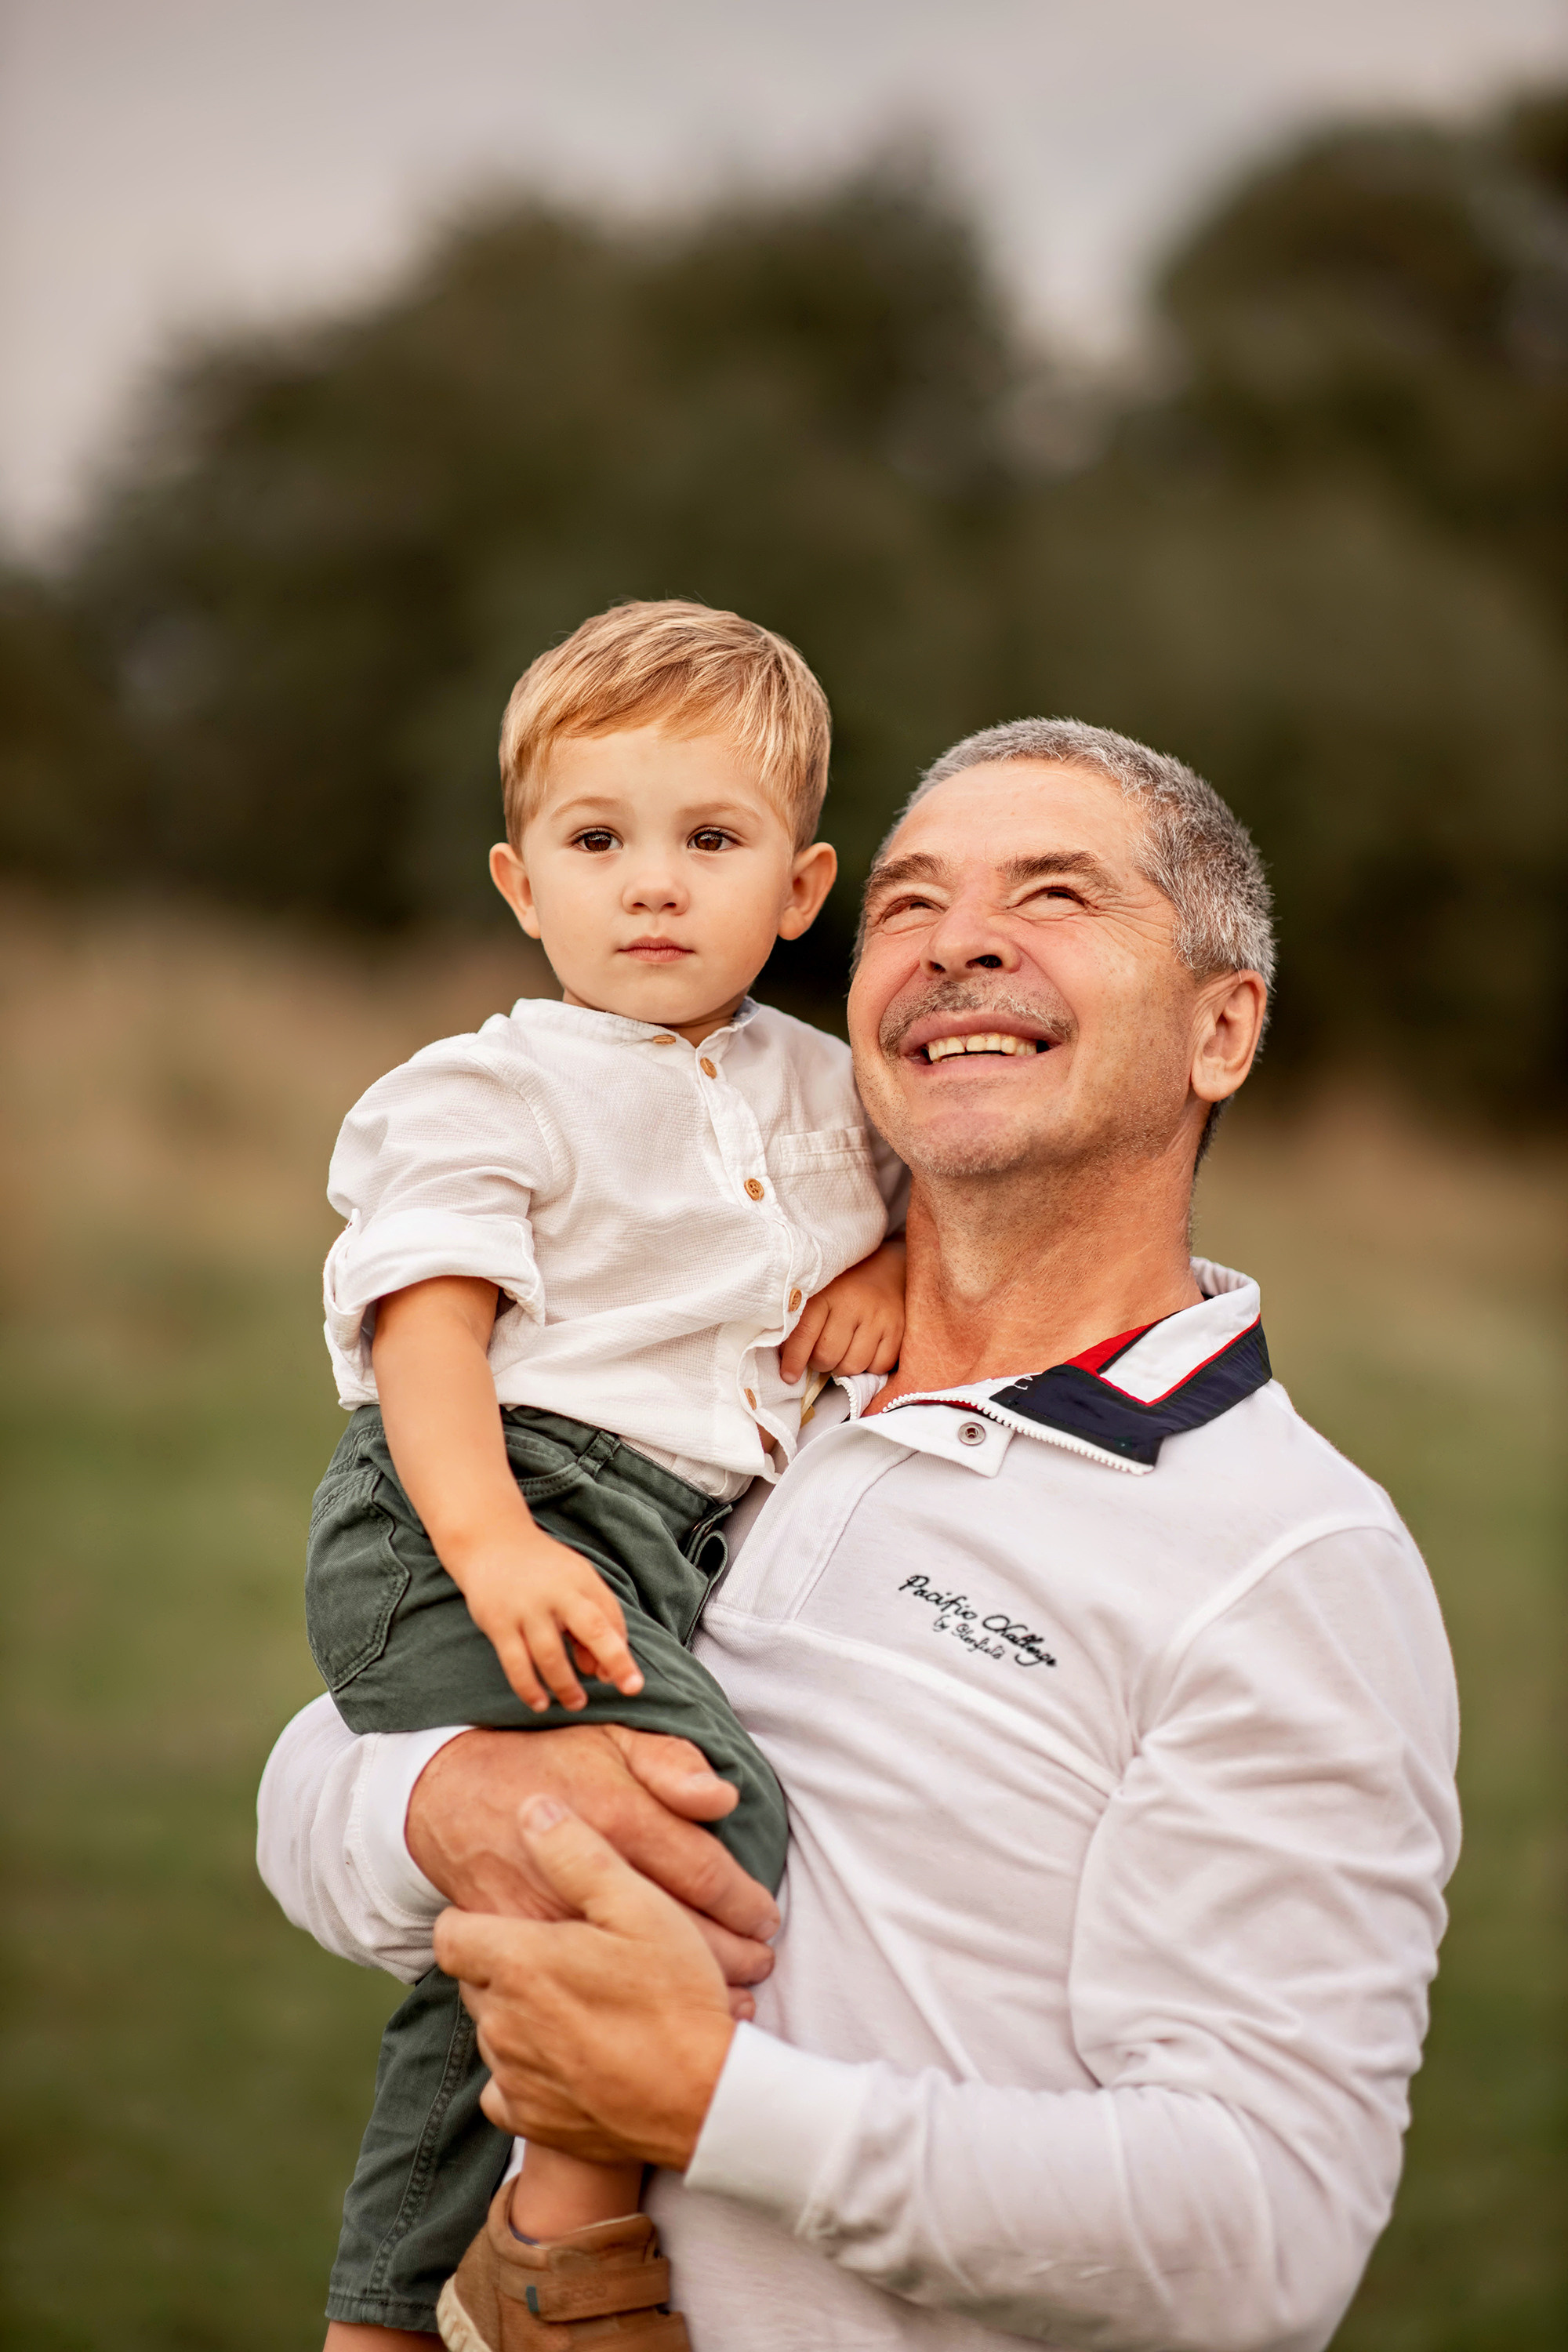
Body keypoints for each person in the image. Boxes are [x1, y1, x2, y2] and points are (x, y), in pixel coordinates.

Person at [261, 716, 1461, 2352]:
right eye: (908, 904)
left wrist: (709, 2103)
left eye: (1054, 894)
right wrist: (450, 1803)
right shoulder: (721, 1392)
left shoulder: (1290, 1561)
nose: (961, 940)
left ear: (1222, 1029)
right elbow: (309, 1785)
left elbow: (1261, 2236)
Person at [301, 599, 908, 2345]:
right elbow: (427, 1338)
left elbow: (928, 1203)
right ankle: (564, 2253)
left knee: (510, 1912)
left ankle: (390, 2307)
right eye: (597, 840)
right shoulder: (487, 1090)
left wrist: (872, 1276)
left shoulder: (823, 1085)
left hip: (666, 1541)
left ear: (799, 889)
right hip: (478, 1505)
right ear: (519, 881)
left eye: (709, 841)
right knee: (700, 1810)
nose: (652, 885)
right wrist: (490, 1549)